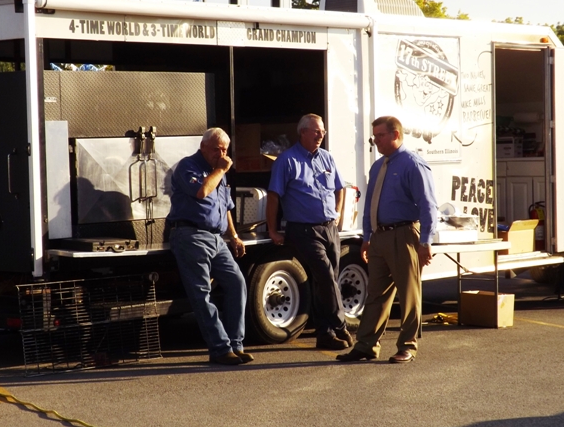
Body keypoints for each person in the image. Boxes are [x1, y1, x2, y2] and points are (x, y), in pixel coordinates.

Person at [337, 116, 437, 364]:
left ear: (396, 135)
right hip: (379, 237)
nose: (376, 141)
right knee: (376, 294)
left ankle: (408, 346)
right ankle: (366, 345)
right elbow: (371, 203)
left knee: (408, 293)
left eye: (380, 136)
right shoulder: (378, 166)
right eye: (374, 137)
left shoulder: (413, 164)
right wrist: (367, 237)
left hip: (404, 235)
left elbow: (428, 205)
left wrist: (425, 242)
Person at [267, 113, 353, 350]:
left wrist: (338, 213)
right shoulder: (287, 160)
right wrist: (272, 230)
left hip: (329, 228)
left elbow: (340, 188)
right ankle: (341, 325)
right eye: (316, 131)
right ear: (302, 132)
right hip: (304, 230)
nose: (321, 135)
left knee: (327, 282)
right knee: (325, 276)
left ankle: (325, 335)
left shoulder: (327, 157)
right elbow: (273, 196)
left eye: (322, 131)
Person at [167, 128, 252, 366]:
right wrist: (220, 170)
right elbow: (202, 191)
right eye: (216, 149)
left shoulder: (219, 171)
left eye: (225, 150)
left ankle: (235, 345)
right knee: (202, 293)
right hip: (191, 235)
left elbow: (226, 207)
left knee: (237, 283)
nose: (221, 154)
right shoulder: (188, 166)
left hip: (216, 238)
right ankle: (220, 349)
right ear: (203, 147)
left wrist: (234, 236)